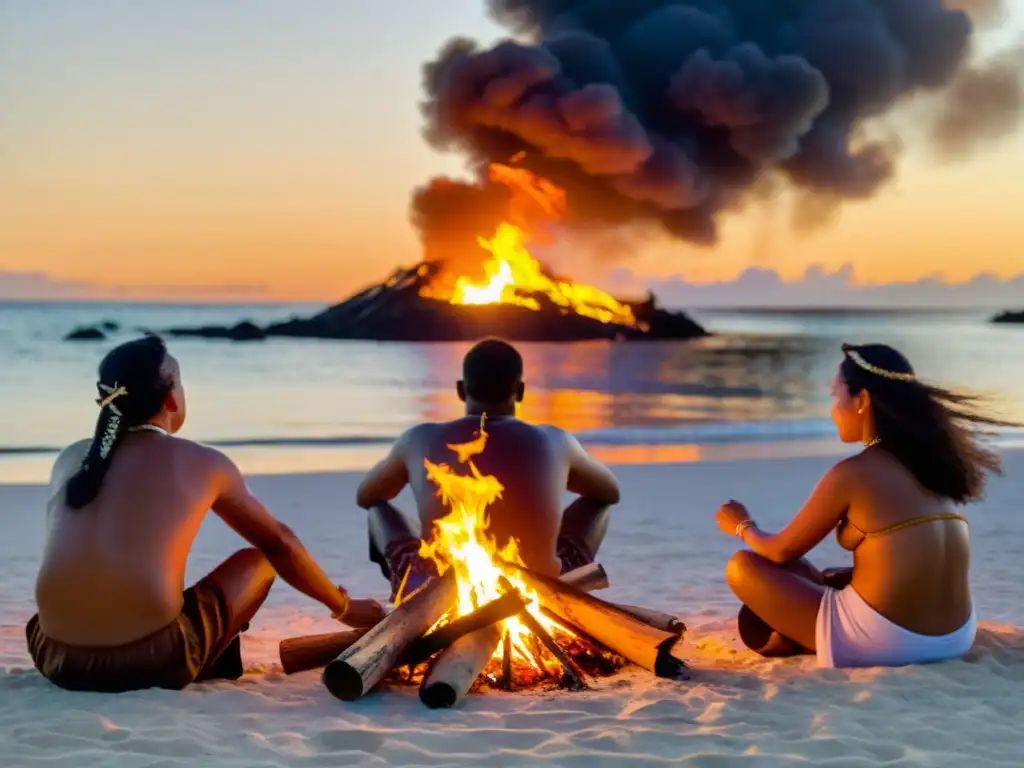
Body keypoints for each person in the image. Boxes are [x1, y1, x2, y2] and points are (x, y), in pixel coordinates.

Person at [28, 335, 385, 693]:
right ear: (171, 398)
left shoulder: (70, 459)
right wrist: (345, 607)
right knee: (259, 560)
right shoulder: (203, 462)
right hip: (151, 661)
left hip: (53, 657)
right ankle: (212, 660)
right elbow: (281, 544)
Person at [716, 342, 1010, 668]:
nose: (832, 408)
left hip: (891, 640)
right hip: (956, 636)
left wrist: (742, 525)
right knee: (808, 573)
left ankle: (794, 635)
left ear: (862, 400)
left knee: (743, 566)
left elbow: (779, 550)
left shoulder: (854, 473)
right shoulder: (937, 468)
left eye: (835, 395)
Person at [356, 337, 621, 600]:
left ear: (461, 390)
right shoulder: (555, 440)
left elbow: (368, 496)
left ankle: (410, 589)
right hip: (538, 588)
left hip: (443, 591)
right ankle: (562, 588)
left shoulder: (418, 438)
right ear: (520, 391)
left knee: (378, 511)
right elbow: (609, 493)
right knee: (596, 505)